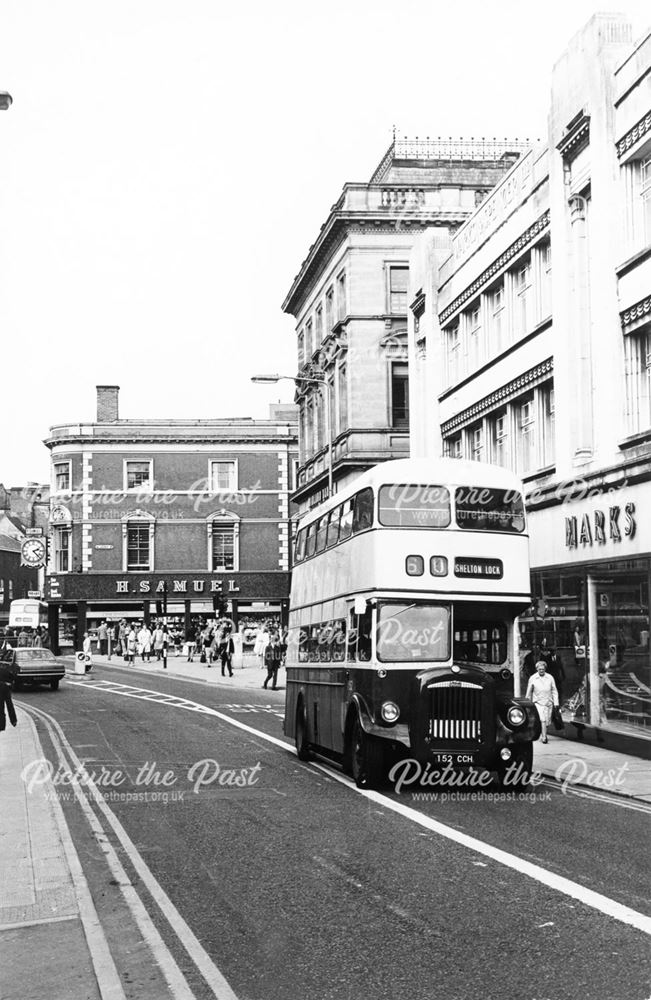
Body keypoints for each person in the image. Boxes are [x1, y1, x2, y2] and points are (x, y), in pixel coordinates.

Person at [526, 660, 559, 743]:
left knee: (547, 721)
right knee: (542, 719)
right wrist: (527, 702)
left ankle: (543, 732)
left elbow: (554, 691)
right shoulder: (533, 678)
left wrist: (556, 703)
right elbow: (529, 692)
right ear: (537, 669)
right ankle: (544, 737)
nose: (541, 671)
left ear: (545, 669)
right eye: (540, 669)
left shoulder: (550, 677)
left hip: (548, 702)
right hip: (538, 702)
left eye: (543, 669)